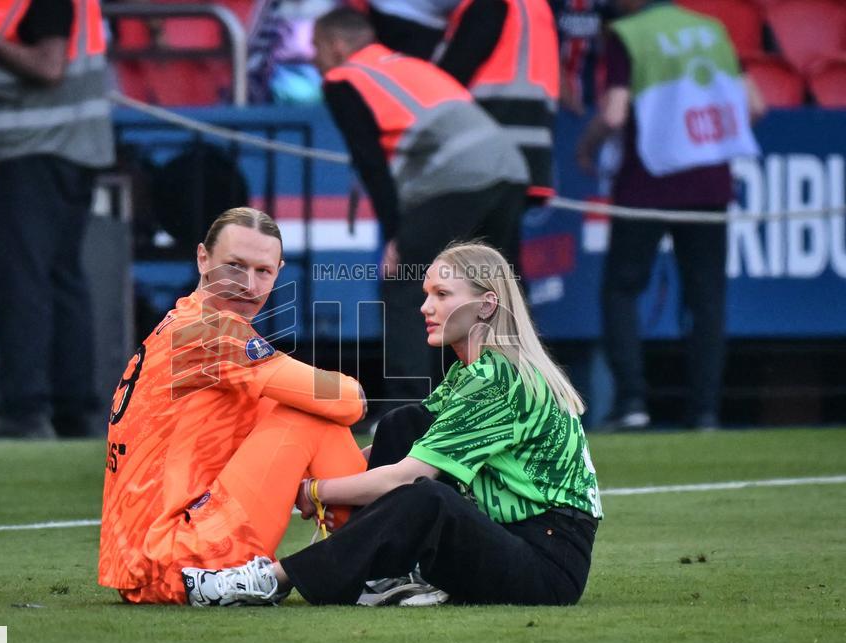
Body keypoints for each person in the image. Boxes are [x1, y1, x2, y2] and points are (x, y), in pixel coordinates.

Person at [182, 241, 603, 607]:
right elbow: (407, 448)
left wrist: (313, 490)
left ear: (487, 305)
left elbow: (409, 477)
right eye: (426, 294)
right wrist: (311, 467)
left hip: (548, 564)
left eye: (441, 294)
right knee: (404, 424)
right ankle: (384, 575)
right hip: (512, 537)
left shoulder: (496, 381)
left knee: (426, 497)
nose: (425, 307)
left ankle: (268, 580)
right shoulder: (475, 370)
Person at [98, 207, 369, 604]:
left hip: (150, 561)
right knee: (309, 414)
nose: (248, 284)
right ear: (202, 259)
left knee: (298, 411)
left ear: (279, 271)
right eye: (234, 266)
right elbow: (349, 402)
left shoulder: (188, 323)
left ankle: (367, 552)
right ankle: (373, 561)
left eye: (263, 271)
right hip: (179, 560)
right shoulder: (211, 333)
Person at [313, 7, 529, 408]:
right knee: (492, 289)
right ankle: (514, 403)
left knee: (407, 283)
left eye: (316, 48)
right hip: (508, 169)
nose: (314, 59)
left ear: (336, 45)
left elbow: (370, 162)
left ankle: (409, 410)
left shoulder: (345, 78)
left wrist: (395, 233)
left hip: (456, 178)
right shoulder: (412, 66)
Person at [575, 0, 765, 431]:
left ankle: (632, 404)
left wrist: (586, 146)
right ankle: (705, 411)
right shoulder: (713, 30)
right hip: (710, 184)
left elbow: (614, 112)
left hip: (647, 182)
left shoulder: (631, 33)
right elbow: (755, 105)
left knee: (622, 290)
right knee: (707, 298)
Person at [0, 0, 115, 438]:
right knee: (60, 280)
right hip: (66, 150)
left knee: (23, 283)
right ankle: (71, 412)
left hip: (37, 152)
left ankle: (25, 411)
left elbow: (48, 66)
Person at [434, 0, 562, 262]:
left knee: (472, 268)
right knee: (499, 266)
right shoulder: (535, 7)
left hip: (483, 160)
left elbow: (449, 77)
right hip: (524, 158)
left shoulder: (490, 5)